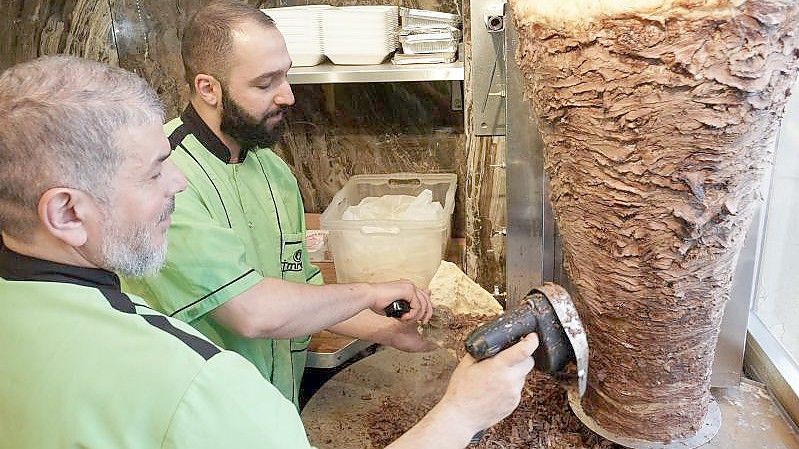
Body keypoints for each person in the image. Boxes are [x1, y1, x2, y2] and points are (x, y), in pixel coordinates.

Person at [0, 54, 539, 449]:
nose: (178, 184)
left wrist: (377, 327)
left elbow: (294, 286)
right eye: (153, 171)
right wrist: (462, 412)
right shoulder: (199, 384)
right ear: (67, 213)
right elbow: (251, 312)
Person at [122, 0, 437, 406]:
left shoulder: (273, 173)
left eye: (285, 76)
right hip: (198, 415)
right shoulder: (162, 178)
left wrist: (388, 331)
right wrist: (367, 292)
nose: (287, 96)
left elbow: (301, 292)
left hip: (273, 409)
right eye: (264, 83)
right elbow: (251, 312)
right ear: (208, 88)